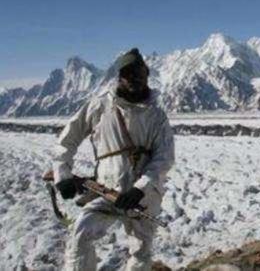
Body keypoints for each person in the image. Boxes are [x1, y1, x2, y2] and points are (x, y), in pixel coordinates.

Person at [53, 48, 175, 271]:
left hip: (143, 197)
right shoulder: (99, 106)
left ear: (147, 75)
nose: (134, 78)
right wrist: (62, 174)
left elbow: (164, 157)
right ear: (119, 77)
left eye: (139, 73)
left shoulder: (157, 116)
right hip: (106, 191)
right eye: (128, 74)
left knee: (141, 252)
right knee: (80, 235)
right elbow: (68, 139)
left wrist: (140, 188)